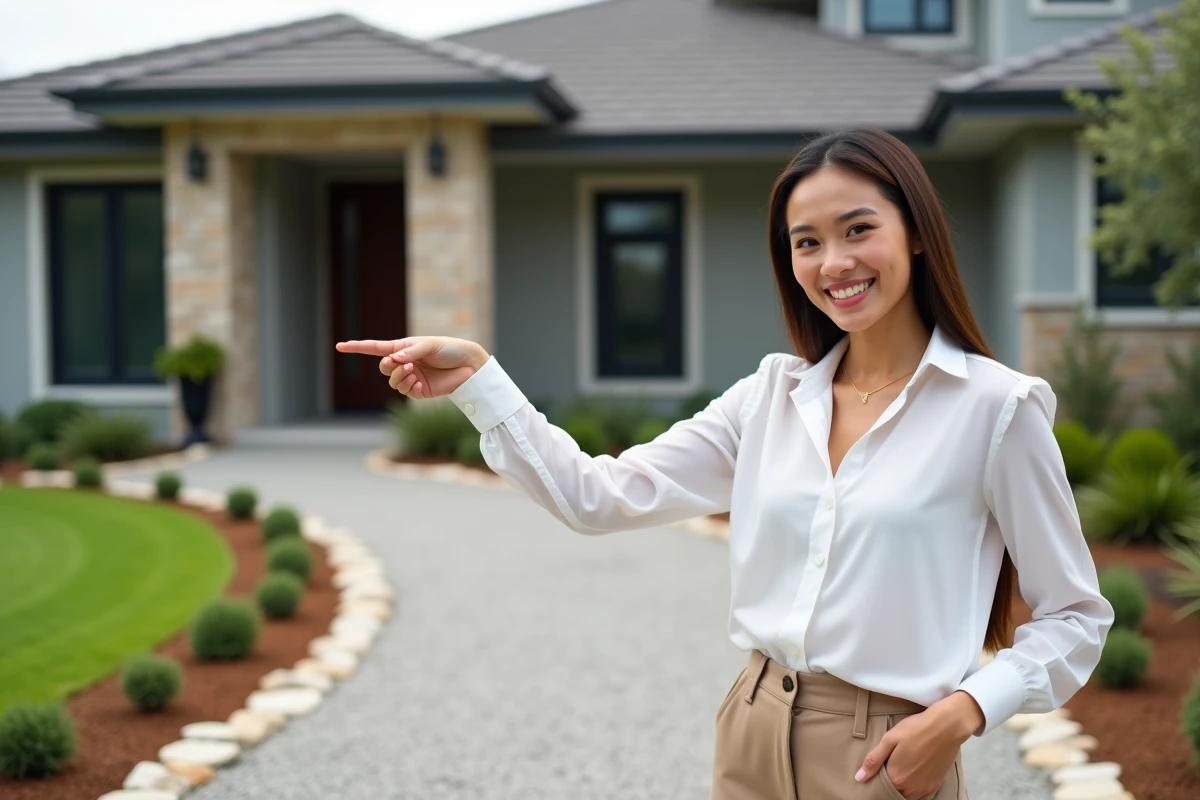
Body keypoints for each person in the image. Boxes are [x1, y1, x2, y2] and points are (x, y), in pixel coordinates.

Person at [336, 127, 1114, 800]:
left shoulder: (998, 409)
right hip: (751, 726)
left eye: (857, 230)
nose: (833, 262)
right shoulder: (768, 399)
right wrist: (482, 381)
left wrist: (964, 712)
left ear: (914, 231)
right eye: (806, 242)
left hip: (890, 754)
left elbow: (1075, 616)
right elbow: (598, 497)